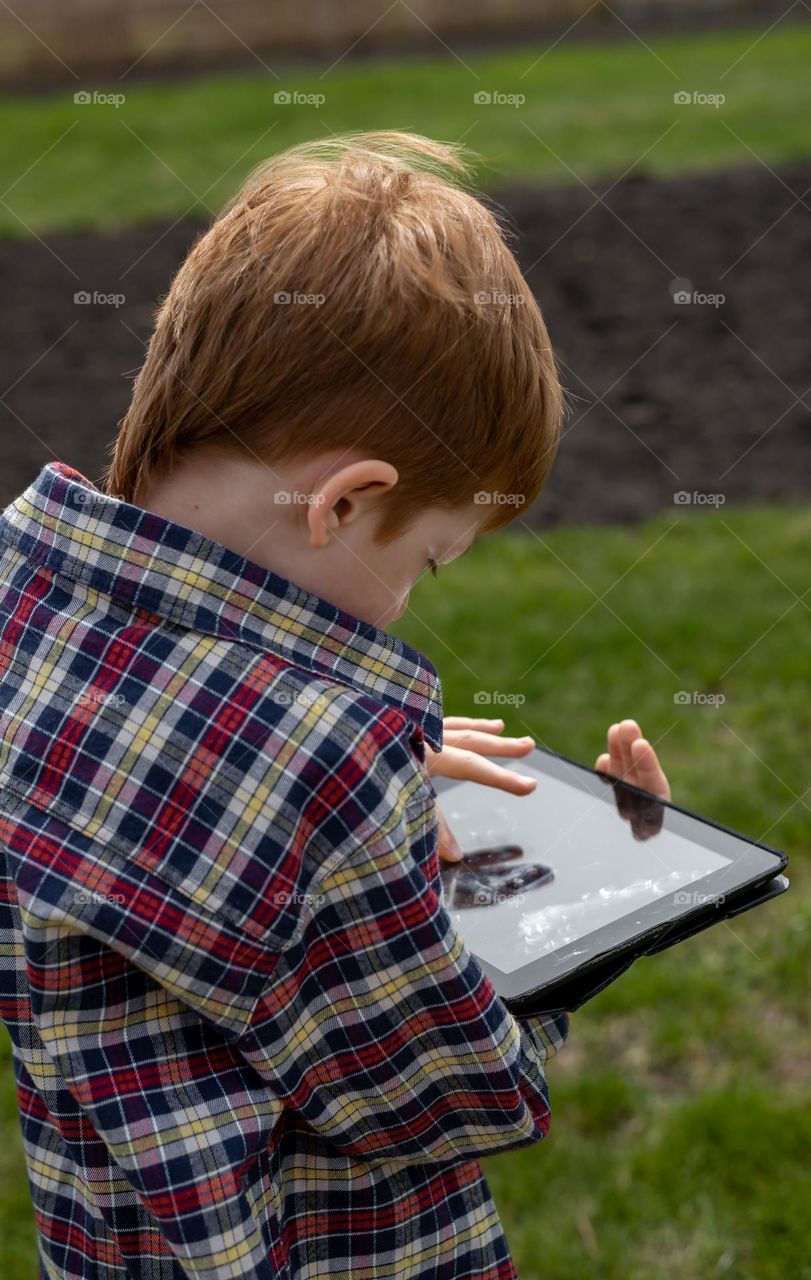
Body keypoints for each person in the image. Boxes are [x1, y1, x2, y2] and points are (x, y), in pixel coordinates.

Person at [0, 131, 669, 1280]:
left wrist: (350, 811)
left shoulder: (23, 588)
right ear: (347, 500)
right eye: (432, 560)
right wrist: (611, 902)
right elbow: (446, 1090)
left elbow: (159, 799)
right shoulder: (325, 761)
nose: (408, 602)